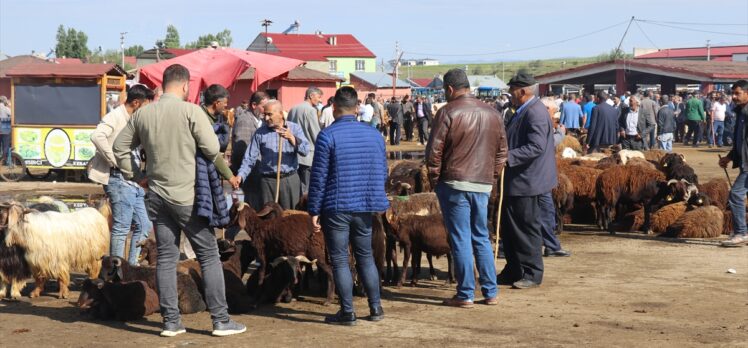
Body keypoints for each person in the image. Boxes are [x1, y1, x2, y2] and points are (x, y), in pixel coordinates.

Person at [113, 64, 245, 337]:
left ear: (164, 84)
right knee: (209, 255)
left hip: (157, 197)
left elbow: (119, 147)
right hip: (187, 197)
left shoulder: (144, 113)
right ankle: (221, 320)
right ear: (185, 86)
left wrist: (137, 175)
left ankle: (171, 323)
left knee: (165, 259)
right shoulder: (191, 111)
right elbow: (212, 149)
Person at [308, 86, 389, 325]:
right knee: (366, 256)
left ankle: (348, 312)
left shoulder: (327, 135)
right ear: (357, 108)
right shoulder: (374, 134)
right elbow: (383, 171)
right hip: (365, 205)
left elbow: (318, 177)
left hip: (336, 206)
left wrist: (313, 210)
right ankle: (376, 308)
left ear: (333, 108)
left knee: (341, 259)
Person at [426, 68, 506, 306]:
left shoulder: (447, 112)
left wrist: (434, 182)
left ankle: (465, 294)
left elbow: (434, 153)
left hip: (454, 183)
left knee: (460, 238)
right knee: (481, 237)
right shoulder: (493, 113)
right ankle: (490, 292)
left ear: (449, 89)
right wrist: (491, 178)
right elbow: (502, 152)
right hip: (482, 184)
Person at [497, 71, 556, 289]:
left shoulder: (535, 113)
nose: (510, 94)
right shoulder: (523, 110)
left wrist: (508, 157)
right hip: (518, 181)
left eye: (512, 90)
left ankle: (532, 272)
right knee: (511, 229)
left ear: (522, 91)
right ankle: (514, 269)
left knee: (526, 228)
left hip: (527, 181)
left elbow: (536, 146)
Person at [89, 85, 154, 265]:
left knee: (144, 225)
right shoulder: (115, 116)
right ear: (136, 103)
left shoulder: (134, 119)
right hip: (118, 179)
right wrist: (114, 160)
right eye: (146, 105)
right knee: (122, 227)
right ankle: (116, 274)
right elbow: (97, 136)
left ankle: (131, 267)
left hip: (133, 180)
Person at [230, 100, 310, 210]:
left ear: (281, 114)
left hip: (289, 180)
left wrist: (292, 138)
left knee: (290, 217)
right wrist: (240, 175)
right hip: (268, 182)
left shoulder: (294, 128)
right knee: (269, 218)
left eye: (269, 114)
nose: (266, 118)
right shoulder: (260, 132)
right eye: (265, 115)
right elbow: (249, 158)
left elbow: (305, 151)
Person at [538, 97, 572, 257]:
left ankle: (551, 245)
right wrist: (561, 134)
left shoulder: (541, 120)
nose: (554, 115)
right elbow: (546, 143)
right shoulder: (541, 121)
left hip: (541, 175)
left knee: (546, 211)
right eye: (553, 111)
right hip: (539, 176)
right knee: (544, 211)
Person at [719, 80, 748, 247]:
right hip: (744, 161)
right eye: (733, 93)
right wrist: (729, 157)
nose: (734, 97)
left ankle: (741, 233)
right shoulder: (741, 112)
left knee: (736, 195)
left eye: (737, 93)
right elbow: (741, 141)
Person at [231, 91, 269, 210]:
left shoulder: (261, 121)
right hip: (250, 173)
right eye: (263, 107)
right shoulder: (244, 120)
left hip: (259, 171)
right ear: (254, 105)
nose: (265, 110)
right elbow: (241, 149)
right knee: (250, 207)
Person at [287, 87, 323, 194]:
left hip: (293, 153)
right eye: (319, 97)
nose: (320, 100)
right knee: (306, 188)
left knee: (296, 187)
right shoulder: (311, 110)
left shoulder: (293, 108)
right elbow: (316, 134)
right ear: (311, 96)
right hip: (307, 155)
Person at [201, 84, 233, 180]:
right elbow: (213, 151)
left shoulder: (217, 118)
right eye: (225, 103)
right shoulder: (201, 118)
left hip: (211, 171)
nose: (226, 106)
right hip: (202, 172)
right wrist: (230, 177)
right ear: (217, 103)